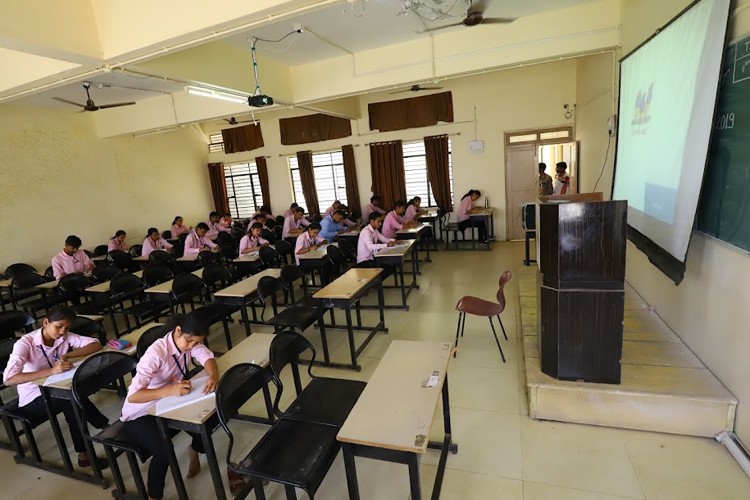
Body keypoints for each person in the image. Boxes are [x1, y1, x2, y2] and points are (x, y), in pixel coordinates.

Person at [120, 312, 219, 500]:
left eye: (196, 343)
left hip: (169, 404)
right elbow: (133, 396)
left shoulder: (192, 341)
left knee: (207, 423)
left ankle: (194, 451)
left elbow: (207, 358)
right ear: (178, 330)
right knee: (164, 451)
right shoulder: (155, 353)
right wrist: (169, 391)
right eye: (189, 341)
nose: (191, 346)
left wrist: (213, 375)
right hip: (140, 413)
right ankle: (154, 497)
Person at [3, 306, 107, 468]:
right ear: (45, 322)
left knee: (72, 398)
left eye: (66, 328)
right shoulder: (25, 344)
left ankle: (89, 448)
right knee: (71, 399)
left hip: (56, 389)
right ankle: (101, 433)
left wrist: (68, 355)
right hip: (33, 397)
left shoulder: (64, 336)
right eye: (58, 327)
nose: (61, 332)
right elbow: (9, 379)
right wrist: (50, 371)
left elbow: (96, 344)